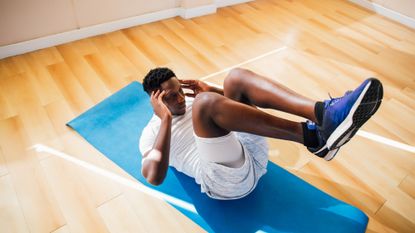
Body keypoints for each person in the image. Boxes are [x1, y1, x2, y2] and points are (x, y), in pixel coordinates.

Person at [139, 67, 383, 200]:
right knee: (204, 103)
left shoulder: (196, 100)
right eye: (171, 97)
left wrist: (212, 89)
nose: (181, 98)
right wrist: (165, 119)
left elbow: (238, 108)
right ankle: (312, 137)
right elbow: (154, 176)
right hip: (225, 182)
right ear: (155, 100)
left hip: (251, 154)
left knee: (235, 78)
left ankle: (321, 115)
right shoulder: (151, 133)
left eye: (180, 90)